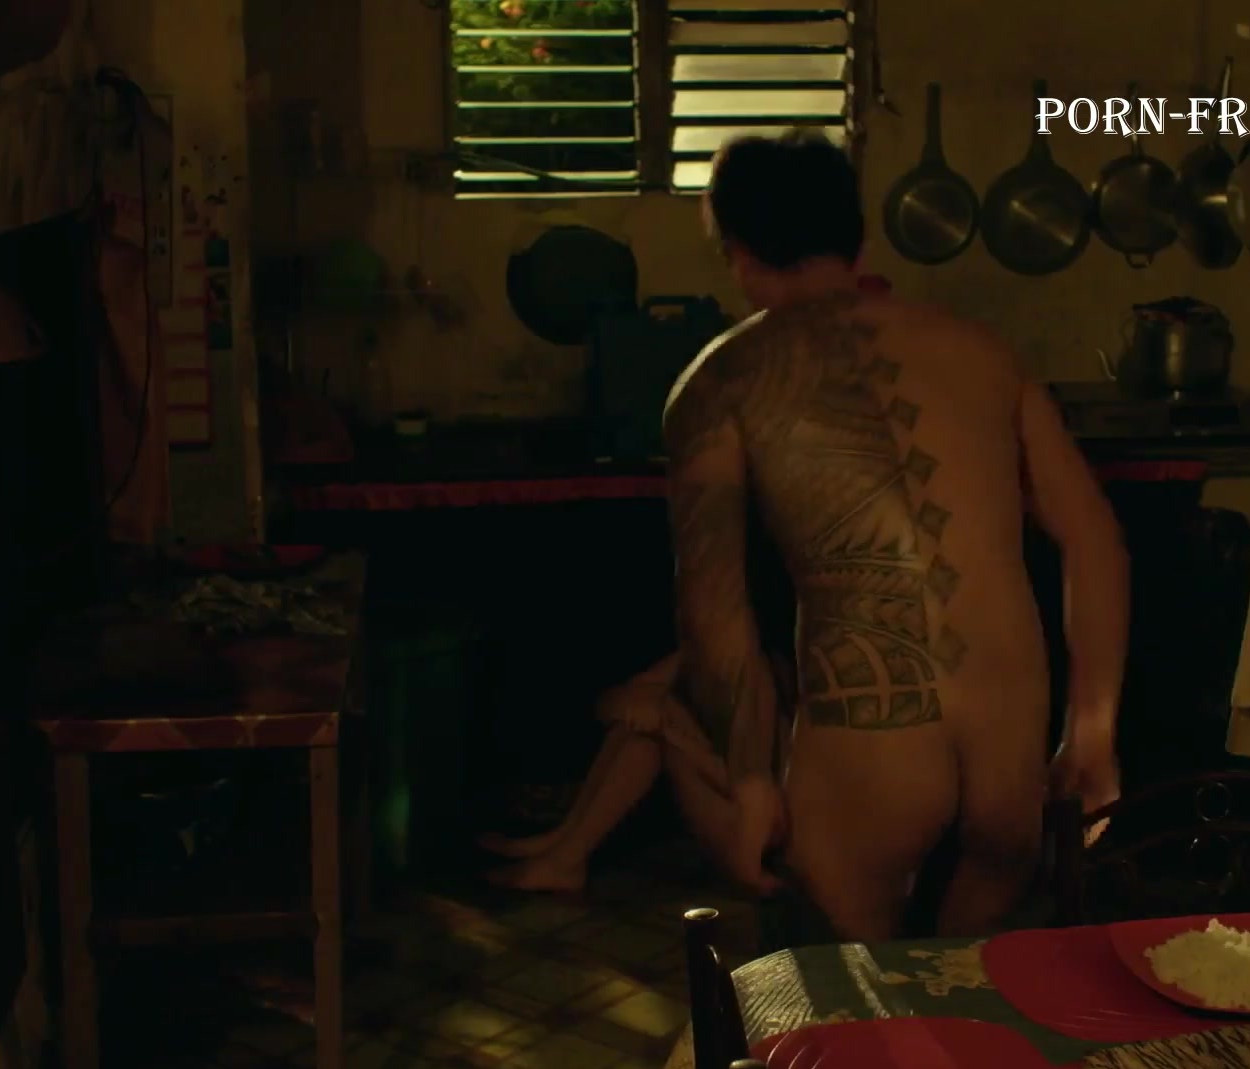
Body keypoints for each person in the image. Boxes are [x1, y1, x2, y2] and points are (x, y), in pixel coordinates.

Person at [658, 131, 1129, 942]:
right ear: (857, 240)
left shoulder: (721, 380)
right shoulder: (984, 353)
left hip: (873, 750)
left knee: (845, 994)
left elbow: (714, 611)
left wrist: (750, 782)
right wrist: (1092, 731)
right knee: (963, 987)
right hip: (1010, 749)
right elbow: (1095, 542)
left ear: (739, 255)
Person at [480, 649, 795, 893]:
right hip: (726, 804)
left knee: (659, 724)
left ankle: (564, 855)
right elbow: (619, 700)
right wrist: (638, 707)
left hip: (753, 837)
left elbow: (760, 800)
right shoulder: (703, 650)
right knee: (643, 727)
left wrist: (671, 730)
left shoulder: (763, 674)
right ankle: (562, 845)